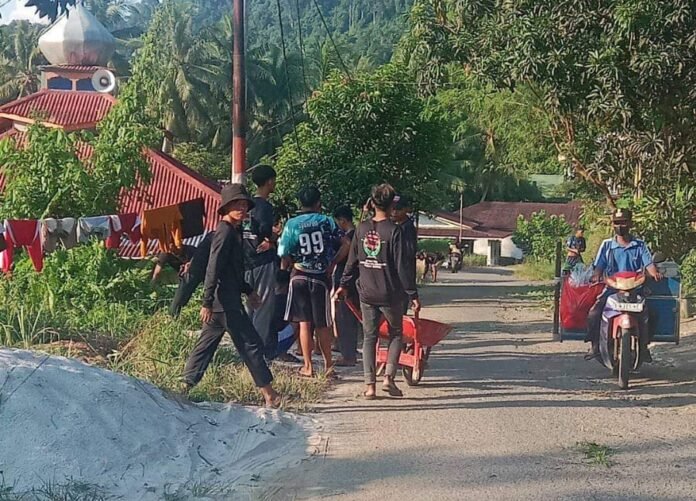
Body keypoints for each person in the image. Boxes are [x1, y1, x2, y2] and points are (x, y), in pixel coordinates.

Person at [183, 184, 281, 408]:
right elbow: (213, 267)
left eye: (244, 204)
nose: (241, 208)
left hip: (225, 301)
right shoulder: (225, 232)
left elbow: (233, 270)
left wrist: (248, 290)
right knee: (251, 344)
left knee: (206, 345)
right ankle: (270, 394)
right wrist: (206, 301)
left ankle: (184, 384)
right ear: (226, 207)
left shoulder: (234, 231)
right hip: (224, 303)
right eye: (236, 204)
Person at [336, 183, 421, 400]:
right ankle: (389, 378)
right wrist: (412, 295)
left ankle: (370, 386)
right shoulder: (395, 232)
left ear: (371, 203)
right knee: (395, 334)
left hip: (366, 292)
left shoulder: (361, 229)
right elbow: (403, 267)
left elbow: (351, 262)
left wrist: (343, 284)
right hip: (390, 293)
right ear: (393, 204)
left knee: (369, 336)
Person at [277, 187, 348, 378]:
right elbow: (346, 245)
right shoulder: (326, 221)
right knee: (323, 324)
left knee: (304, 324)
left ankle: (308, 367)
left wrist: (288, 266)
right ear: (318, 203)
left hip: (298, 275)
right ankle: (328, 366)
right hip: (320, 278)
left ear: (300, 203)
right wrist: (332, 263)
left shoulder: (292, 224)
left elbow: (283, 251)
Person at [585, 209, 662, 362]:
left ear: (630, 223)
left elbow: (649, 264)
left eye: (623, 222)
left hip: (636, 290)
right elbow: (599, 266)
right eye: (617, 223)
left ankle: (644, 346)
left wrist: (655, 273)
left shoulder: (639, 245)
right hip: (612, 289)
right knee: (594, 313)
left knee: (652, 315)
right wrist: (596, 276)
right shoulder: (607, 245)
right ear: (613, 225)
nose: (620, 225)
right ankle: (594, 346)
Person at [243, 164, 280, 360]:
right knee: (263, 306)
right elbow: (265, 231)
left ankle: (246, 349)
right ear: (269, 181)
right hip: (262, 261)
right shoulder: (265, 206)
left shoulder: (245, 205)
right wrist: (274, 236)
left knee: (250, 306)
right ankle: (258, 354)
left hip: (245, 260)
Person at [332, 205, 361, 366]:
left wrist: (333, 262)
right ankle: (349, 351)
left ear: (343, 220)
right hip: (355, 280)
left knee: (344, 318)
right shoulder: (359, 233)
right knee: (350, 318)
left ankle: (348, 355)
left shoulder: (349, 237)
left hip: (346, 280)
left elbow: (347, 252)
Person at [169, 232, 214, 318]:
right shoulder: (167, 253)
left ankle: (173, 312)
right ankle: (173, 313)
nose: (173, 251)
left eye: (174, 248)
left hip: (203, 268)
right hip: (194, 271)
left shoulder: (190, 250)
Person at [391, 195, 418, 313]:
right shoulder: (394, 227)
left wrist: (410, 290)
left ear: (406, 209)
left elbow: (405, 258)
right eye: (392, 208)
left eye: (398, 209)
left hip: (401, 281)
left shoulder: (407, 229)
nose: (394, 212)